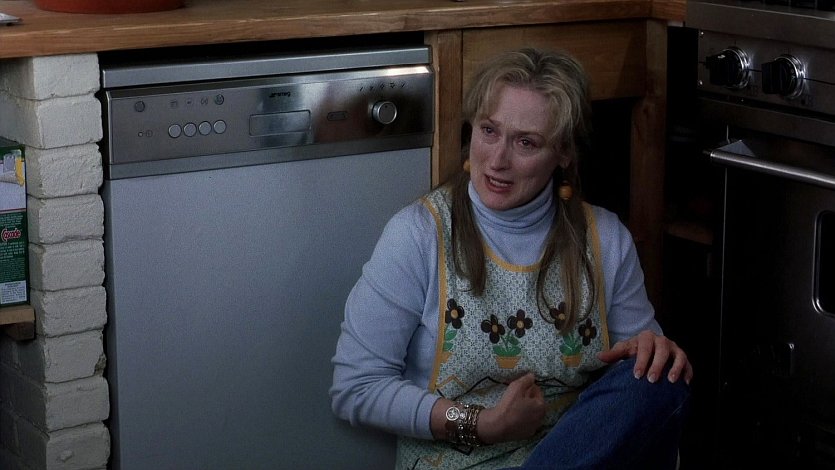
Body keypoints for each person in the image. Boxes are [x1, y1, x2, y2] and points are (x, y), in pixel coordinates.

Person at [330, 48, 692, 470]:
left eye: (526, 143)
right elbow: (356, 387)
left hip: (573, 459)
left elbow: (635, 385)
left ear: (564, 153)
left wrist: (654, 351)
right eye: (489, 131)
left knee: (660, 382)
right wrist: (483, 424)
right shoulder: (418, 234)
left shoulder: (607, 239)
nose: (498, 160)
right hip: (456, 462)